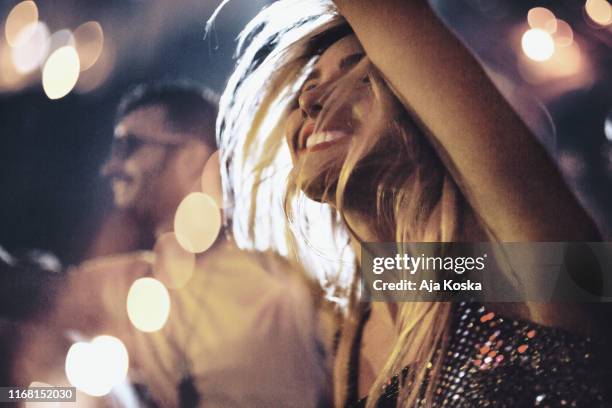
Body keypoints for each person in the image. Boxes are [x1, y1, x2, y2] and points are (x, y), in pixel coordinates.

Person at [217, 1, 612, 407]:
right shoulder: (344, 337)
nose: (310, 99)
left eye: (359, 74)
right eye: (308, 85)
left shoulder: (521, 273)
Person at [9, 81, 326, 407]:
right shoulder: (142, 282)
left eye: (127, 146)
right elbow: (28, 292)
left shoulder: (282, 255)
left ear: (190, 158)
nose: (109, 167)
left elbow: (379, 284)